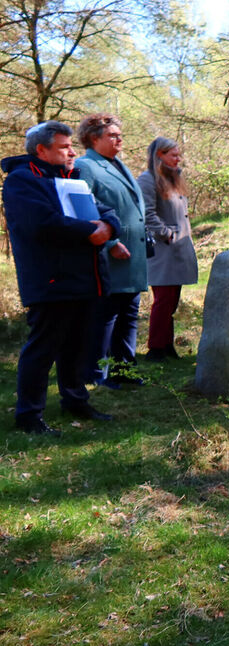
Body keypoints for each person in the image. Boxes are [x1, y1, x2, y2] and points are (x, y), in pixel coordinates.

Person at [3, 121, 121, 434]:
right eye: (64, 147)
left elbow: (104, 210)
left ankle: (75, 400)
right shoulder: (21, 181)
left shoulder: (71, 178)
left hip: (84, 278)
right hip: (51, 279)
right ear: (41, 150)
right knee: (43, 348)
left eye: (71, 146)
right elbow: (42, 223)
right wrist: (91, 231)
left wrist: (108, 227)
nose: (72, 152)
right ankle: (29, 415)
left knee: (77, 346)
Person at [75, 113, 147, 388]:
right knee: (105, 317)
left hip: (132, 256)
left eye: (120, 135)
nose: (119, 140)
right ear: (93, 139)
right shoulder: (86, 166)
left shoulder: (117, 164)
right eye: (112, 135)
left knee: (129, 315)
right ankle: (96, 374)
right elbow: (83, 211)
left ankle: (124, 370)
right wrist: (109, 243)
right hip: (109, 256)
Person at [138, 137, 199, 361]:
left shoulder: (174, 179)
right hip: (163, 251)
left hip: (179, 250)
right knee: (163, 300)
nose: (178, 159)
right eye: (173, 155)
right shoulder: (147, 180)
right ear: (159, 155)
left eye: (178, 154)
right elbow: (147, 214)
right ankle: (155, 348)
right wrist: (166, 234)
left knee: (172, 301)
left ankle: (166, 345)